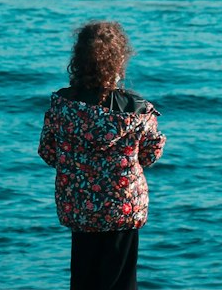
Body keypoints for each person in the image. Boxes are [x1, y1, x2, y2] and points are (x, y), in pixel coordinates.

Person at [38, 21, 165, 290]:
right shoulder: (137, 109)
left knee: (83, 279)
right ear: (119, 60)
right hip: (123, 208)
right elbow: (151, 155)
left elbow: (49, 153)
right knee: (121, 282)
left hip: (80, 208)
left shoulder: (63, 104)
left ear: (79, 59)